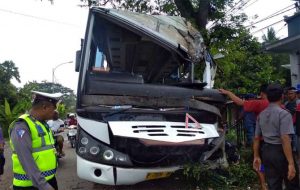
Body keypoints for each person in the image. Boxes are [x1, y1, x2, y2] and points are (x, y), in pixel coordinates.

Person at [8, 91, 62, 190]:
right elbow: (26, 159)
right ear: (44, 107)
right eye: (54, 108)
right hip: (31, 185)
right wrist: (44, 185)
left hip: (48, 180)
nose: (55, 112)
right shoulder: (22, 126)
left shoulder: (42, 124)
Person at [219, 84, 268, 190]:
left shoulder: (259, 103)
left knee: (260, 162)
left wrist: (228, 92)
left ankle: (264, 184)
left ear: (262, 93)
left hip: (262, 141)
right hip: (278, 144)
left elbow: (240, 102)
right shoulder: (282, 107)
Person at [253, 83, 299, 190]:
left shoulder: (262, 114)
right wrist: (291, 163)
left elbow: (256, 138)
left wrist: (256, 156)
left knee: (273, 184)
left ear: (267, 97)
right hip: (281, 152)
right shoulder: (284, 114)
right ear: (282, 96)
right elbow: (284, 138)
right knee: (292, 183)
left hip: (267, 152)